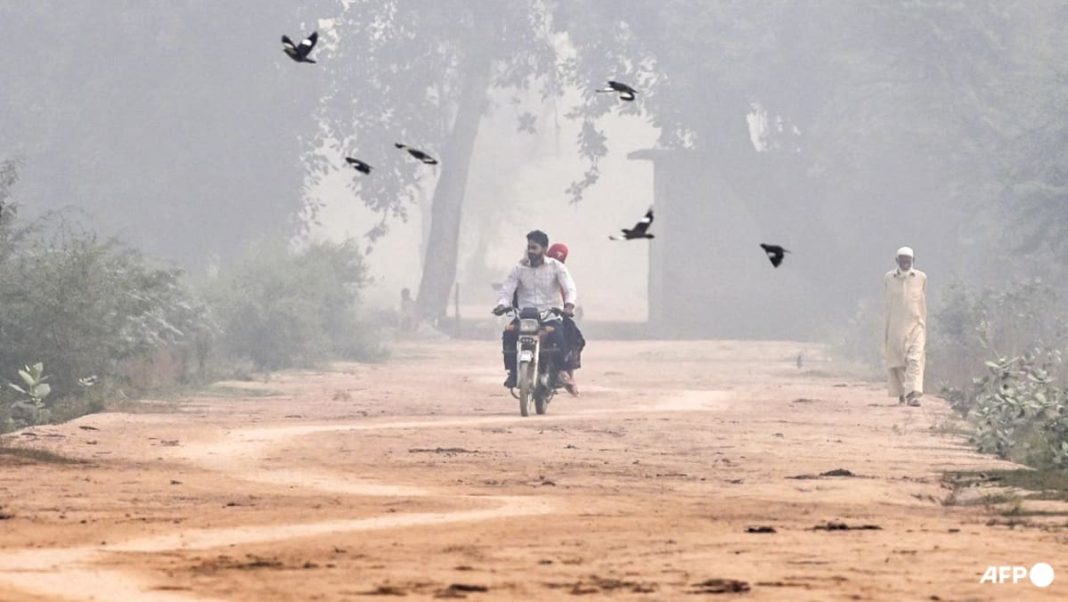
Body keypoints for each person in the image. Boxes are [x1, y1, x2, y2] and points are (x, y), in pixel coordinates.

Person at [492, 230, 577, 390]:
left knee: (560, 337)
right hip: (525, 315)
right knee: (509, 335)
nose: (531, 251)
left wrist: (569, 306)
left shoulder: (556, 267)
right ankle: (512, 372)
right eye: (529, 247)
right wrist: (502, 305)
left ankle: (559, 372)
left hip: (550, 315)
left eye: (534, 248)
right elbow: (507, 290)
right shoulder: (518, 269)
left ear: (544, 249)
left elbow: (569, 288)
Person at [884, 246, 927, 407]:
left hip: (916, 326)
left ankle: (912, 395)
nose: (905, 264)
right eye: (902, 261)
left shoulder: (921, 277)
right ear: (897, 261)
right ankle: (902, 392)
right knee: (898, 362)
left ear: (913, 261)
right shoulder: (889, 278)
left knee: (915, 359)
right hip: (895, 326)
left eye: (908, 261)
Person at [546, 243, 585, 395]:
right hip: (531, 312)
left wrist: (568, 306)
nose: (556, 261)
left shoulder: (562, 273)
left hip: (556, 314)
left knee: (574, 337)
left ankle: (568, 374)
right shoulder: (532, 269)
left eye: (560, 259)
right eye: (554, 257)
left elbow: (569, 291)